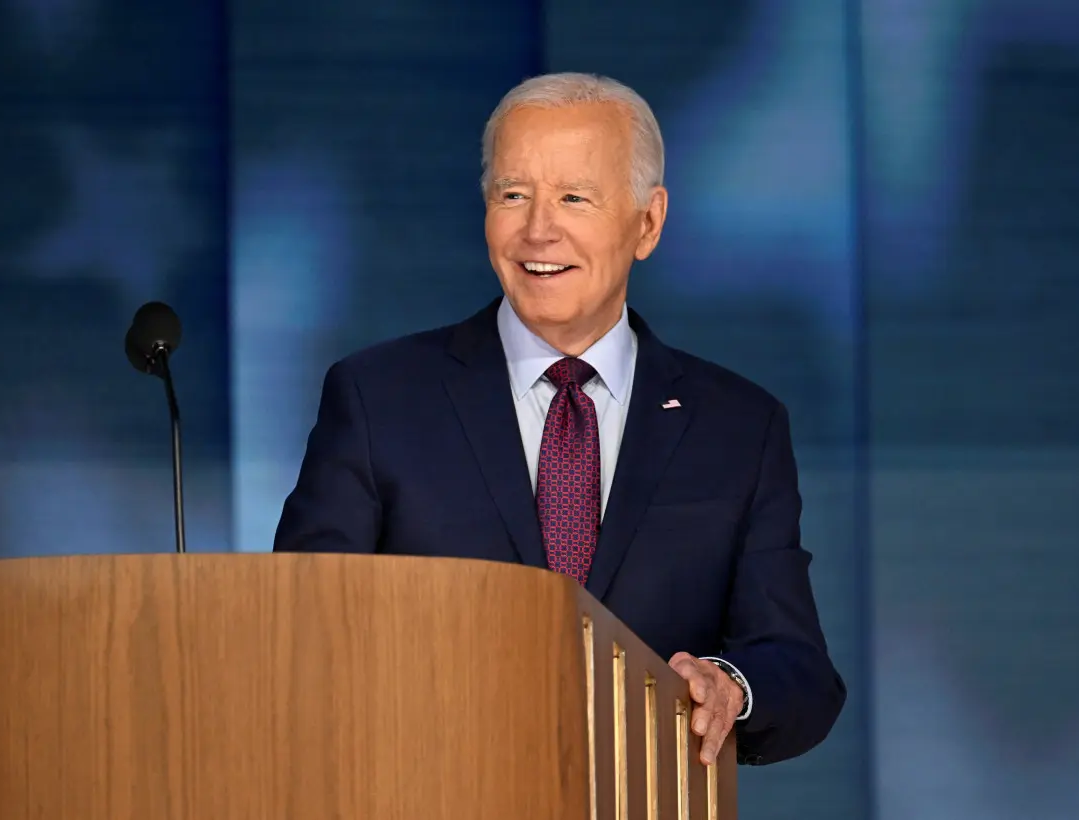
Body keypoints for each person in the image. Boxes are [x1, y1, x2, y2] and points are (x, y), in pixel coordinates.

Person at [274, 72, 845, 766]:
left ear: (649, 222)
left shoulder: (738, 428)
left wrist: (731, 687)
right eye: (513, 196)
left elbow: (798, 669)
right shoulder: (378, 399)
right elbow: (299, 635)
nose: (538, 229)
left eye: (574, 197)